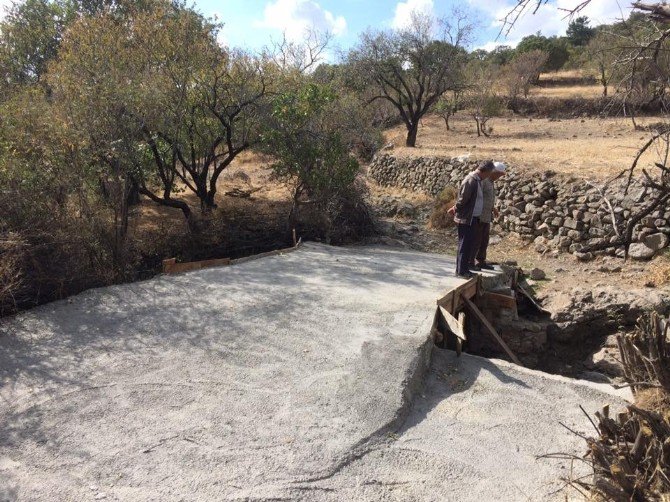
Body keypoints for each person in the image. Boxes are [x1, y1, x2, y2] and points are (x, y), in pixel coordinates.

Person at [448, 160, 495, 278]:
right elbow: (462, 200)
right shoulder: (471, 180)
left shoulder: (478, 180)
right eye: (489, 173)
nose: (489, 176)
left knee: (469, 244)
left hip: (473, 218)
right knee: (464, 245)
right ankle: (461, 271)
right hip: (466, 218)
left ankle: (464, 269)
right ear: (486, 171)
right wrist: (455, 209)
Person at [472, 161, 506, 271]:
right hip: (479, 215)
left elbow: (488, 197)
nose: (499, 177)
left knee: (484, 240)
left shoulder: (491, 182)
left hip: (486, 216)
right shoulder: (484, 181)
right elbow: (478, 196)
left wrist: (493, 208)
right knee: (477, 239)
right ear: (493, 172)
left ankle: (481, 261)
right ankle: (473, 261)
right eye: (498, 174)